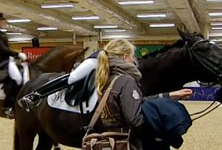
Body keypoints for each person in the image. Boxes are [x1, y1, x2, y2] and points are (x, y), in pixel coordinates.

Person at [18, 47, 192, 111]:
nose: (135, 60)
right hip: (94, 61)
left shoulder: (122, 69)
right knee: (72, 78)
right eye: (132, 57)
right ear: (125, 56)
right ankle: (35, 95)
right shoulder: (100, 58)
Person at [0, 13, 28, 117]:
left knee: (23, 72)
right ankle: (7, 106)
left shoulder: (3, 33)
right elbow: (2, 49)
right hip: (2, 61)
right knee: (17, 78)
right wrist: (17, 54)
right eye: (2, 21)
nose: (4, 23)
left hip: (7, 59)